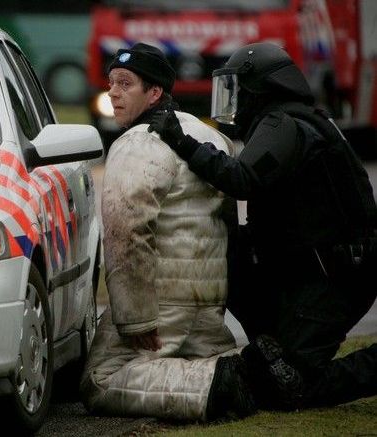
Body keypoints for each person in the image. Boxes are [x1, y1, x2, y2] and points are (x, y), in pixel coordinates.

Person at [148, 42, 377, 410]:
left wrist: (182, 141)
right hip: (308, 270)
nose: (232, 101)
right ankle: (274, 348)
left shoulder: (285, 124)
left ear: (259, 90)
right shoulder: (293, 119)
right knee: (233, 255)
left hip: (334, 278)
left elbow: (243, 178)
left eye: (237, 90)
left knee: (290, 386)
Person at [79, 43, 256, 421]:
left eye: (125, 84)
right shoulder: (213, 139)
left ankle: (211, 387)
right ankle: (241, 370)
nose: (112, 92)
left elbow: (126, 231)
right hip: (208, 300)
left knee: (102, 379)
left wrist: (135, 319)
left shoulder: (137, 142)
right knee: (208, 359)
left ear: (155, 92)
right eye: (111, 83)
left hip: (159, 305)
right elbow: (229, 226)